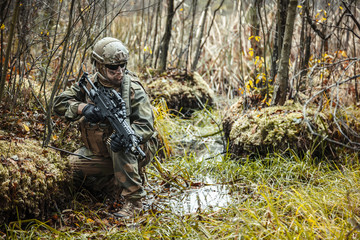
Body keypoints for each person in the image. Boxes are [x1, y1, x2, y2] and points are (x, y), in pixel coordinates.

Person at [53, 37, 157, 218]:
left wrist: (131, 135)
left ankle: (135, 202)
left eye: (123, 66)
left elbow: (146, 126)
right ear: (100, 66)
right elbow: (58, 103)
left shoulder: (133, 90)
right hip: (100, 150)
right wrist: (83, 108)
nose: (120, 72)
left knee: (121, 143)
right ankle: (113, 183)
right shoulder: (88, 84)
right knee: (71, 167)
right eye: (113, 67)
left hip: (138, 148)